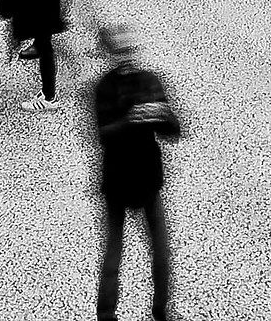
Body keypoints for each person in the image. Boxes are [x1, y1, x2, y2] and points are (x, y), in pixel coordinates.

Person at [90, 23, 182, 321]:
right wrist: (133, 118)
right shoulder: (103, 88)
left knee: (161, 253)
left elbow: (175, 130)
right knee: (113, 256)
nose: (126, 57)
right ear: (110, 55)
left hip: (146, 177)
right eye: (120, 52)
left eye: (130, 50)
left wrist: (163, 115)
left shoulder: (151, 81)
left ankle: (161, 310)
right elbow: (103, 135)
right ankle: (106, 314)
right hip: (118, 179)